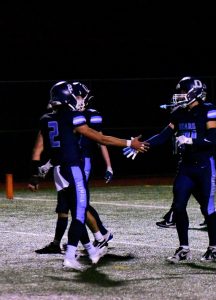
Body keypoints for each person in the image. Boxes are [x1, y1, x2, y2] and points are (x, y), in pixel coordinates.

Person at [28, 81, 149, 270]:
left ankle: (91, 249)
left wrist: (39, 172)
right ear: (67, 97)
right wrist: (128, 143)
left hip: (59, 170)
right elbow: (101, 139)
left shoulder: (45, 119)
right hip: (73, 168)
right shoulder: (74, 116)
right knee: (79, 213)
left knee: (77, 209)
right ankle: (70, 256)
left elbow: (48, 149)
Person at [124, 76, 216, 262]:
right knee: (178, 206)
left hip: (204, 166)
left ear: (194, 92)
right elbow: (163, 135)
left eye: (183, 91)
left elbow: (213, 140)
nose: (180, 95)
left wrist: (192, 140)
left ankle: (213, 247)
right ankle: (184, 248)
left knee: (207, 209)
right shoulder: (179, 113)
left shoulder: (209, 110)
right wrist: (142, 145)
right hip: (185, 167)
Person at [33, 82, 114, 256]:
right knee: (67, 205)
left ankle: (99, 237)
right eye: (74, 96)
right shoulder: (63, 116)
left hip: (80, 162)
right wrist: (49, 164)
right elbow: (57, 145)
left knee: (78, 204)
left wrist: (109, 165)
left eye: (78, 96)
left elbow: (101, 140)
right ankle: (69, 244)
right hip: (65, 163)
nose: (76, 100)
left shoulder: (88, 116)